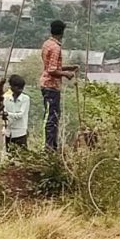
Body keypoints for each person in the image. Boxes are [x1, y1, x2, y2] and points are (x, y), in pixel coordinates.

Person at [40, 20, 78, 151]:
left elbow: (50, 66)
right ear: (62, 32)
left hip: (46, 84)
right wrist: (66, 74)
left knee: (52, 115)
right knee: (52, 117)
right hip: (51, 85)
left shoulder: (47, 44)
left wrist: (68, 68)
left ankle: (51, 146)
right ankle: (49, 147)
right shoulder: (56, 47)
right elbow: (52, 70)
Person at [4, 74, 31, 153]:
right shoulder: (6, 98)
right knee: (10, 156)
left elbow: (21, 115)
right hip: (9, 132)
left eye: (21, 87)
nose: (19, 90)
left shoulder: (25, 99)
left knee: (22, 156)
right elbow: (4, 112)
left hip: (20, 132)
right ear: (11, 86)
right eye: (17, 87)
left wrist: (7, 114)